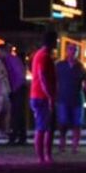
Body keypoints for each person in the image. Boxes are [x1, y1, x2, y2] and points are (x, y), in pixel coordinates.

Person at [54, 42, 86, 155]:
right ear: (67, 51)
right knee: (63, 124)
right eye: (71, 49)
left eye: (75, 50)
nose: (73, 52)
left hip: (77, 100)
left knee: (77, 124)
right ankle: (62, 145)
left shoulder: (81, 67)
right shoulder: (59, 66)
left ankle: (74, 147)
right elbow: (53, 82)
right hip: (63, 99)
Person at [30, 31, 58, 163]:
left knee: (45, 127)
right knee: (42, 128)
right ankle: (42, 158)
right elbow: (42, 77)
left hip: (39, 95)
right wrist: (49, 96)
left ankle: (46, 156)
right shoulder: (44, 56)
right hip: (41, 96)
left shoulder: (41, 55)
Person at [2, 44, 28, 146]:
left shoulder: (10, 60)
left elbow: (18, 75)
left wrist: (13, 89)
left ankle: (14, 137)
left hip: (18, 88)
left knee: (16, 113)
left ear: (4, 51)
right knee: (19, 114)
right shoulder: (13, 59)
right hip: (19, 88)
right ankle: (21, 137)